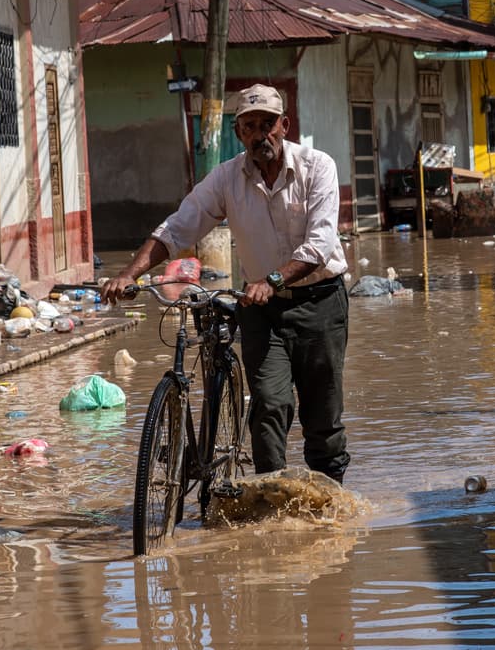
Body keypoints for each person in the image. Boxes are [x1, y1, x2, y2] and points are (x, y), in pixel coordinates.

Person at [100, 84, 351, 483]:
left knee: (322, 418)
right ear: (239, 134)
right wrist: (130, 275)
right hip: (262, 309)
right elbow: (180, 226)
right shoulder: (227, 177)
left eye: (267, 124)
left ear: (283, 125)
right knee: (269, 403)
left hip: (320, 301)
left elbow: (320, 242)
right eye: (249, 126)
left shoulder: (318, 166)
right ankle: (272, 499)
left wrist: (273, 279)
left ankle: (333, 508)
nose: (259, 134)